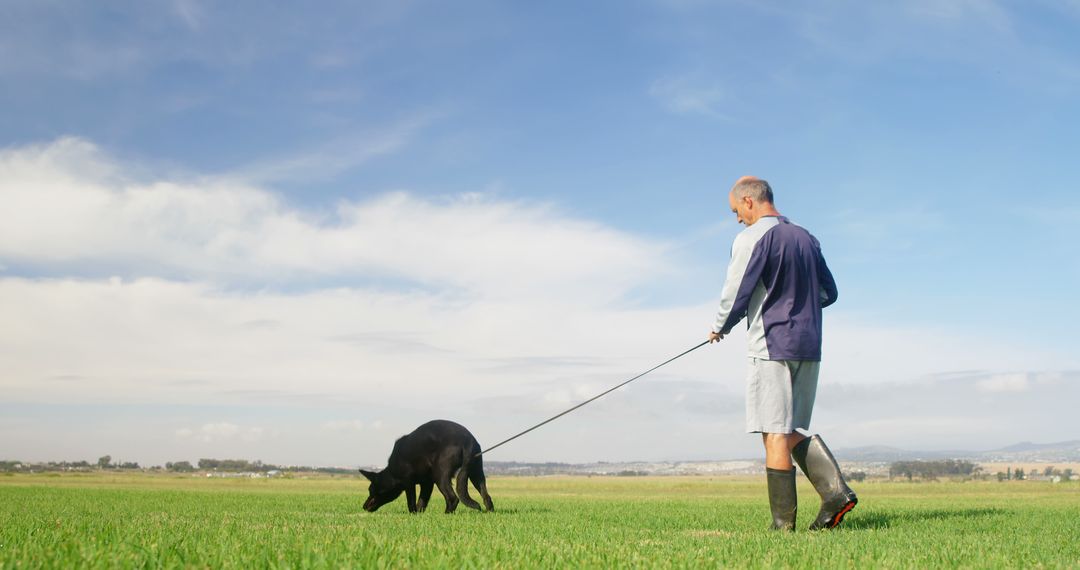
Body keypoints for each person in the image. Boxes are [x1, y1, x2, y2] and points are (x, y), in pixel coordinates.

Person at [707, 176, 857, 531]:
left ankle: (784, 527)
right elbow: (828, 292)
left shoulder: (751, 238)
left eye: (735, 211)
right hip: (809, 344)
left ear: (748, 201)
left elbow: (736, 292)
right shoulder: (807, 237)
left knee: (772, 431)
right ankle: (834, 494)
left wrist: (720, 327)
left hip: (771, 345)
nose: (737, 219)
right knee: (786, 428)